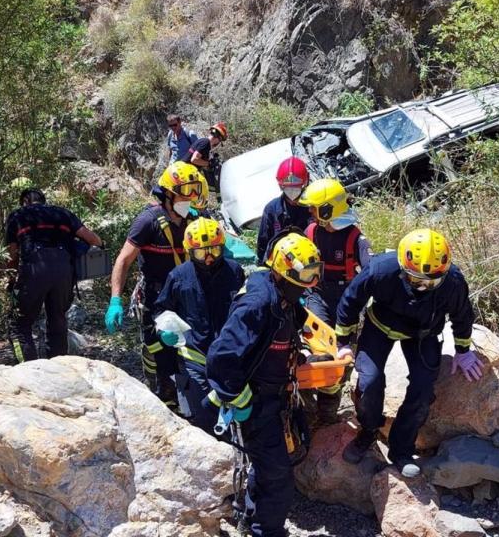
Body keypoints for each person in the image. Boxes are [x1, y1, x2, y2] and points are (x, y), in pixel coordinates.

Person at [335, 228, 484, 477]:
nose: (424, 287)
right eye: (416, 280)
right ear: (403, 268)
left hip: (422, 333)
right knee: (370, 382)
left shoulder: (452, 282)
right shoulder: (381, 270)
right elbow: (351, 300)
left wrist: (463, 351)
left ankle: (401, 449)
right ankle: (368, 431)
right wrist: (343, 342)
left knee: (423, 389)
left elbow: (462, 315)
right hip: (380, 327)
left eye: (432, 282)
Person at [207, 232, 322, 537]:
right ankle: (267, 531)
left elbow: (286, 325)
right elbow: (221, 357)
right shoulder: (258, 304)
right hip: (257, 403)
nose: (308, 284)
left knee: (268, 465)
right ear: (282, 272)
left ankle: (251, 514)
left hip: (275, 396)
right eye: (303, 277)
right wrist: (240, 399)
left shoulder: (283, 295)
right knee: (279, 476)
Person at [104, 161, 203, 409]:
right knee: (157, 349)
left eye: (193, 192)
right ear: (168, 194)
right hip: (157, 295)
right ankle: (160, 394)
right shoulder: (148, 222)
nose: (189, 198)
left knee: (190, 346)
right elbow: (123, 260)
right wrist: (115, 300)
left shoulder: (194, 221)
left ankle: (189, 399)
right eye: (184, 192)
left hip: (187, 295)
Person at [153, 218, 245, 433]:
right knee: (205, 415)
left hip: (229, 355)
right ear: (189, 251)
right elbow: (161, 309)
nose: (209, 258)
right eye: (202, 253)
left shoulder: (234, 271)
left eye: (214, 250)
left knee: (236, 413)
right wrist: (163, 331)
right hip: (195, 355)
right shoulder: (178, 276)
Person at [297, 178, 371, 424]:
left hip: (345, 300)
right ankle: (308, 403)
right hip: (317, 294)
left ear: (329, 209)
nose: (310, 211)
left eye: (315, 208)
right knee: (319, 349)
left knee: (341, 357)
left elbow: (370, 274)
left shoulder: (356, 239)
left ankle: (328, 411)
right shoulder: (311, 232)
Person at [5, 188, 102, 361]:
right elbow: (95, 241)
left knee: (18, 325)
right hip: (64, 272)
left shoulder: (17, 216)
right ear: (44, 201)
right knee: (57, 321)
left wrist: (11, 282)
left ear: (25, 202)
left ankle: (25, 368)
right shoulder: (62, 213)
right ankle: (58, 366)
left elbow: (11, 255)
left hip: (34, 270)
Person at [255, 157, 313, 263]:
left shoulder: (313, 207)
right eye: (288, 189)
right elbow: (263, 246)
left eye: (296, 188)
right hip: (280, 264)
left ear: (305, 183)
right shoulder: (272, 209)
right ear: (281, 186)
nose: (292, 193)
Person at [180, 122, 227, 192]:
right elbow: (194, 159)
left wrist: (210, 163)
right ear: (218, 138)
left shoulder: (203, 142)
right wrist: (209, 163)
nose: (218, 143)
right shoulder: (206, 142)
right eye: (220, 141)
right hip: (183, 174)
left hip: (185, 173)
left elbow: (199, 163)